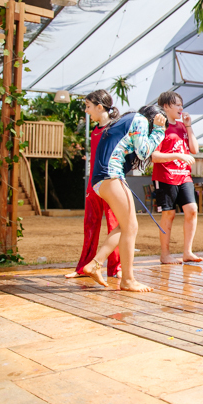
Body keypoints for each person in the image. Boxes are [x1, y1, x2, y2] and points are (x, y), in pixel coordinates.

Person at [80, 104, 166, 292]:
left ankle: (95, 264)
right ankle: (127, 280)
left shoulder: (127, 120)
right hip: (110, 175)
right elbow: (144, 151)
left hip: (103, 178)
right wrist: (159, 131)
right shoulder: (140, 120)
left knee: (127, 226)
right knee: (131, 227)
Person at [67, 90, 121, 280]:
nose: (86, 110)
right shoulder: (95, 130)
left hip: (111, 183)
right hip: (93, 184)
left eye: (88, 106)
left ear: (99, 107)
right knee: (90, 224)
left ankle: (115, 268)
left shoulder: (116, 128)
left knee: (114, 224)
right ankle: (83, 268)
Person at [151, 92, 202, 264]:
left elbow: (194, 149)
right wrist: (178, 156)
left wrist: (189, 126)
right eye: (177, 105)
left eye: (181, 104)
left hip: (184, 176)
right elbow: (154, 156)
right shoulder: (160, 127)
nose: (181, 108)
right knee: (169, 214)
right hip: (165, 177)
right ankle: (165, 254)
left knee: (192, 209)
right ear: (166, 107)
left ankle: (188, 252)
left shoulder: (182, 126)